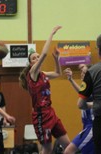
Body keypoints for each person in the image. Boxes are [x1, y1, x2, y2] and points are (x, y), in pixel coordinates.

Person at [19, 25, 70, 154]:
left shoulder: (44, 74)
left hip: (50, 112)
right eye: (34, 58)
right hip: (40, 115)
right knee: (47, 148)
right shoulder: (32, 73)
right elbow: (44, 53)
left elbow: (58, 73)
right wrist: (52, 33)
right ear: (31, 63)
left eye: (37, 57)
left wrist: (56, 59)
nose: (37, 59)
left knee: (67, 144)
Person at [63, 64, 94, 154]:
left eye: (84, 73)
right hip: (86, 126)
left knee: (68, 151)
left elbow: (94, 101)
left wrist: (87, 105)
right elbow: (81, 92)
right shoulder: (87, 88)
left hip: (92, 126)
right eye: (81, 72)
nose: (81, 74)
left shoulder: (94, 88)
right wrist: (71, 80)